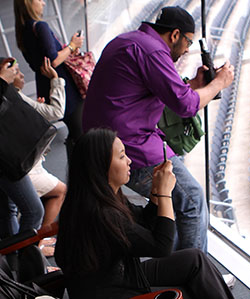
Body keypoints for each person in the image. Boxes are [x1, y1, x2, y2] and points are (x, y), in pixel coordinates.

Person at [82, 6, 234, 253]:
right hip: (126, 147)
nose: (186, 49)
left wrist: (194, 85)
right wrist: (218, 83)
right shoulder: (153, 52)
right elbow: (187, 106)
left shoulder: (130, 41)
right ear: (175, 35)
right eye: (188, 42)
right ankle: (196, 276)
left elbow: (156, 91)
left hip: (102, 142)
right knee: (192, 200)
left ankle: (172, 268)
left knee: (174, 197)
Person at [55, 128, 235, 299]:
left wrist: (156, 192)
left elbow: (142, 221)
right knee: (193, 290)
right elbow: (161, 246)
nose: (129, 161)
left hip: (122, 274)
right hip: (116, 292)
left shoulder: (95, 197)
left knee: (195, 259)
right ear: (101, 166)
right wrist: (165, 193)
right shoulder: (102, 214)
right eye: (121, 156)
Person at [14, 0, 85, 159]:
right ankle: (82, 173)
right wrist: (72, 46)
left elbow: (41, 61)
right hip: (63, 86)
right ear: (28, 3)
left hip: (46, 85)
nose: (44, 3)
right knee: (80, 131)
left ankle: (77, 174)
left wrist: (67, 49)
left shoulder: (23, 31)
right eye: (39, 0)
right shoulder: (40, 26)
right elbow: (53, 60)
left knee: (75, 131)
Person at [12, 56, 67, 256]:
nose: (21, 75)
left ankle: (27, 247)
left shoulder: (7, 97)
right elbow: (57, 111)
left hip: (17, 163)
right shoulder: (15, 96)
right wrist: (56, 79)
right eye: (16, 71)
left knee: (11, 210)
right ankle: (37, 245)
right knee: (59, 191)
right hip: (26, 166)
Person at [0, 57, 44, 240]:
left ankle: (11, 262)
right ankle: (26, 261)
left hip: (0, 153)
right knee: (34, 211)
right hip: (2, 154)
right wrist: (1, 80)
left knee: (7, 209)